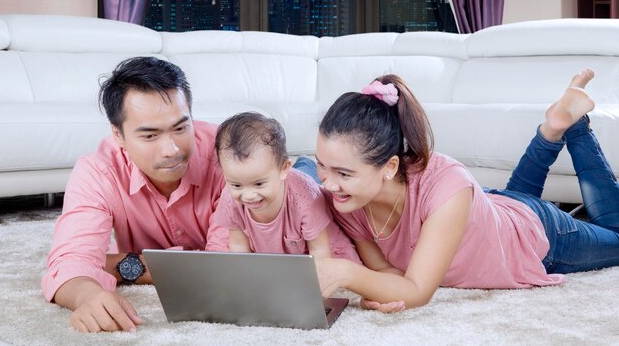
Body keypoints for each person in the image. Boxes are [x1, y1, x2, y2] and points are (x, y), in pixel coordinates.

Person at [313, 68, 619, 313]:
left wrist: (346, 274)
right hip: (490, 212)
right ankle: (552, 128)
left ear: (390, 167)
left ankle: (574, 125)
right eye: (322, 166)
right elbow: (388, 272)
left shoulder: (447, 185)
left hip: (541, 239)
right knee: (503, 212)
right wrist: (378, 289)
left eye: (343, 173)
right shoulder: (348, 200)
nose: (327, 184)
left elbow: (417, 292)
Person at [42, 57, 231, 333]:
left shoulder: (227, 155)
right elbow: (69, 264)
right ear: (118, 135)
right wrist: (87, 295)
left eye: (181, 128)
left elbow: (224, 269)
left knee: (301, 179)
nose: (171, 150)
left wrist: (117, 266)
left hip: (282, 183)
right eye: (150, 136)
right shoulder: (98, 171)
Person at [206, 112, 360, 263]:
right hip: (278, 257)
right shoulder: (229, 198)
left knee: (308, 178)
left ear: (284, 168)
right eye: (236, 185)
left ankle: (306, 162)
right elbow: (239, 247)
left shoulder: (307, 200)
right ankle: (304, 164)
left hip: (322, 250)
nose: (248, 195)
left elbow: (320, 253)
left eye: (259, 184)